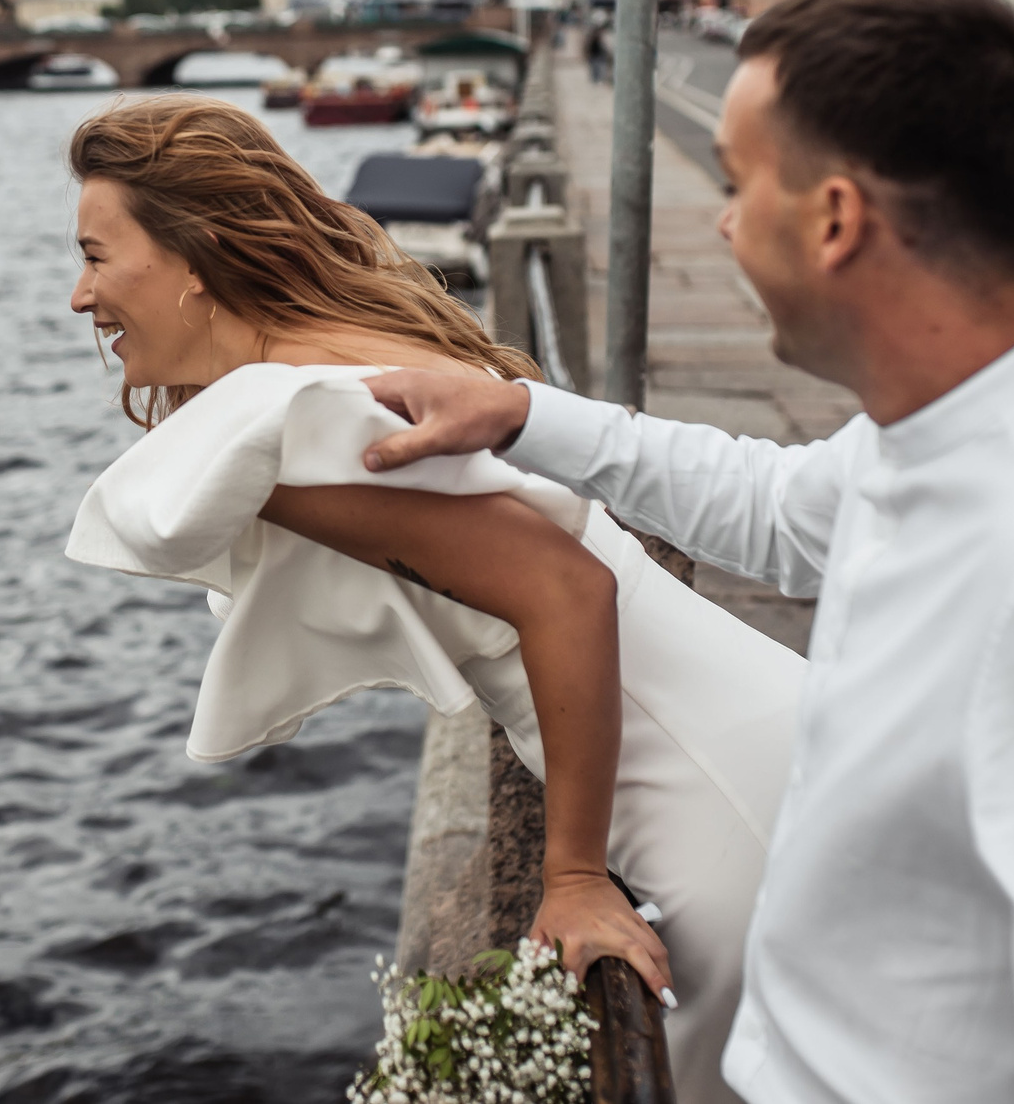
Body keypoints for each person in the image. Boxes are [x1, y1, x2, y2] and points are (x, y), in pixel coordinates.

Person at [361, 0, 1014, 1103]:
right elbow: (778, 507)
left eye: (740, 183)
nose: (726, 219)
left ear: (836, 217)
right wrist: (523, 410)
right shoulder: (955, 418)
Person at [61, 96, 807, 1103]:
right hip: (739, 728)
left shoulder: (281, 413)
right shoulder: (335, 344)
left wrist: (576, 875)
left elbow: (565, 588)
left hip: (700, 787)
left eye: (96, 255)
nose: (78, 294)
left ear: (195, 256)